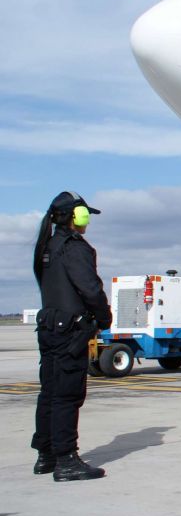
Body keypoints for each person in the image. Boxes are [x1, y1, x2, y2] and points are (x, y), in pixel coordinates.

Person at [31, 191, 112, 481]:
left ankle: (46, 455)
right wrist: (104, 318)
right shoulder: (76, 248)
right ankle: (66, 460)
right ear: (76, 217)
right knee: (67, 395)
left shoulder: (46, 247)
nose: (87, 220)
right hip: (71, 332)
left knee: (49, 393)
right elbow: (90, 289)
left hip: (50, 327)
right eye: (85, 214)